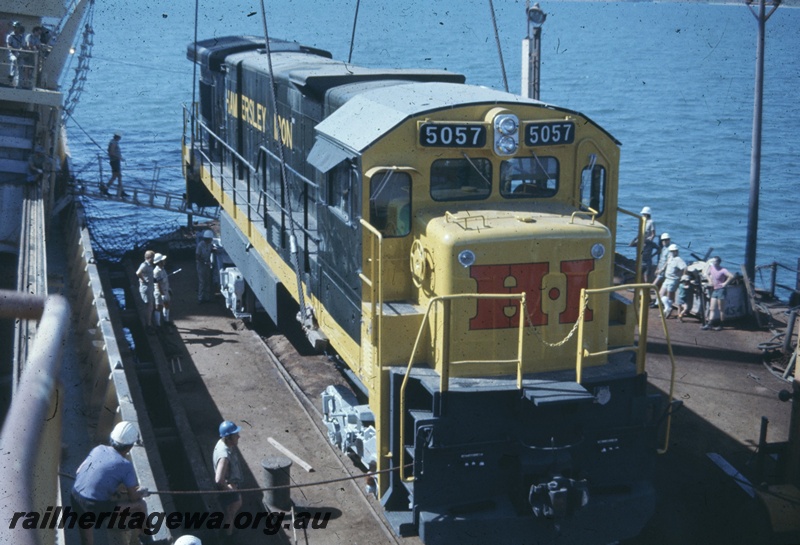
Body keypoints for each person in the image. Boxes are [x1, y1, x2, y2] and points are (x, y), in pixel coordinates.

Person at [71, 421, 148, 545]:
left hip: (75, 497)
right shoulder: (125, 466)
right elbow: (134, 497)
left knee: (86, 530)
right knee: (140, 505)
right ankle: (146, 538)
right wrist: (142, 492)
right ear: (129, 447)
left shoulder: (99, 448)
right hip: (94, 507)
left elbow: (78, 471)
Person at [214, 420, 244, 540]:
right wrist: (230, 489)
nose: (238, 436)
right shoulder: (224, 456)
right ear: (228, 437)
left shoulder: (223, 443)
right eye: (235, 435)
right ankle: (229, 538)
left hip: (229, 484)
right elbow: (218, 479)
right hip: (228, 487)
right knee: (230, 514)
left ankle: (228, 532)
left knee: (230, 512)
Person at [703, 256, 735, 331]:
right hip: (715, 289)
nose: (713, 262)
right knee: (712, 308)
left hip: (721, 290)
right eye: (713, 261)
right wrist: (710, 281)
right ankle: (709, 324)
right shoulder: (711, 268)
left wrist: (725, 283)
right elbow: (706, 274)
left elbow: (731, 276)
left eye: (715, 261)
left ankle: (721, 324)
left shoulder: (723, 270)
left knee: (721, 309)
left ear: (718, 262)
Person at [629, 206, 657, 282]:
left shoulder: (651, 222)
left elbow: (653, 234)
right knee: (640, 254)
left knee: (645, 273)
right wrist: (637, 238)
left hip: (646, 242)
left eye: (644, 214)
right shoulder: (642, 221)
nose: (643, 215)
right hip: (641, 241)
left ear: (647, 214)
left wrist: (649, 241)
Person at [659, 244, 686, 316]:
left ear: (677, 251)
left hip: (673, 280)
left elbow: (685, 268)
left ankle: (667, 310)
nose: (673, 252)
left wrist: (683, 277)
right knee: (660, 294)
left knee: (669, 296)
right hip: (667, 278)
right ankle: (667, 308)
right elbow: (666, 262)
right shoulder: (670, 257)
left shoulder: (679, 260)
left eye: (674, 251)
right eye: (671, 251)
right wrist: (662, 269)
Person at [102, 132, 127, 197]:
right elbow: (111, 152)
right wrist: (119, 157)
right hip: (115, 161)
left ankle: (121, 191)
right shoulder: (113, 143)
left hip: (115, 161)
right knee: (115, 176)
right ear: (118, 137)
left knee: (118, 176)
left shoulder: (113, 142)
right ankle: (106, 189)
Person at [136, 250, 156, 334]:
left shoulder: (150, 266)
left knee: (150, 306)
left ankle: (149, 322)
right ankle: (148, 325)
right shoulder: (144, 265)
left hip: (150, 287)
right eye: (152, 258)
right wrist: (143, 280)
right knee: (148, 306)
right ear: (148, 258)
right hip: (146, 288)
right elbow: (138, 272)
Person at [153, 253, 173, 329]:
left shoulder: (163, 269)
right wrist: (162, 294)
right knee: (158, 307)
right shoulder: (156, 271)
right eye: (162, 260)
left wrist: (168, 289)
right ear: (159, 262)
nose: (164, 261)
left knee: (167, 305)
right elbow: (157, 284)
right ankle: (158, 325)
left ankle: (166, 321)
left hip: (165, 290)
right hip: (159, 292)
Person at [196, 230, 215, 304]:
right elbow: (197, 257)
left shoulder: (210, 245)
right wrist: (204, 262)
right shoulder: (200, 245)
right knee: (202, 282)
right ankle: (200, 298)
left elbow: (211, 250)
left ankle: (207, 298)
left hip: (207, 265)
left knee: (207, 281)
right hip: (201, 265)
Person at [6, 22, 25, 86]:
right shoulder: (10, 36)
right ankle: (11, 76)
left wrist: (21, 49)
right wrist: (14, 50)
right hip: (12, 53)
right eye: (15, 28)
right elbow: (8, 46)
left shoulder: (21, 37)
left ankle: (19, 84)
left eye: (18, 28)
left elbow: (23, 45)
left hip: (19, 54)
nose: (16, 29)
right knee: (14, 60)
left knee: (21, 66)